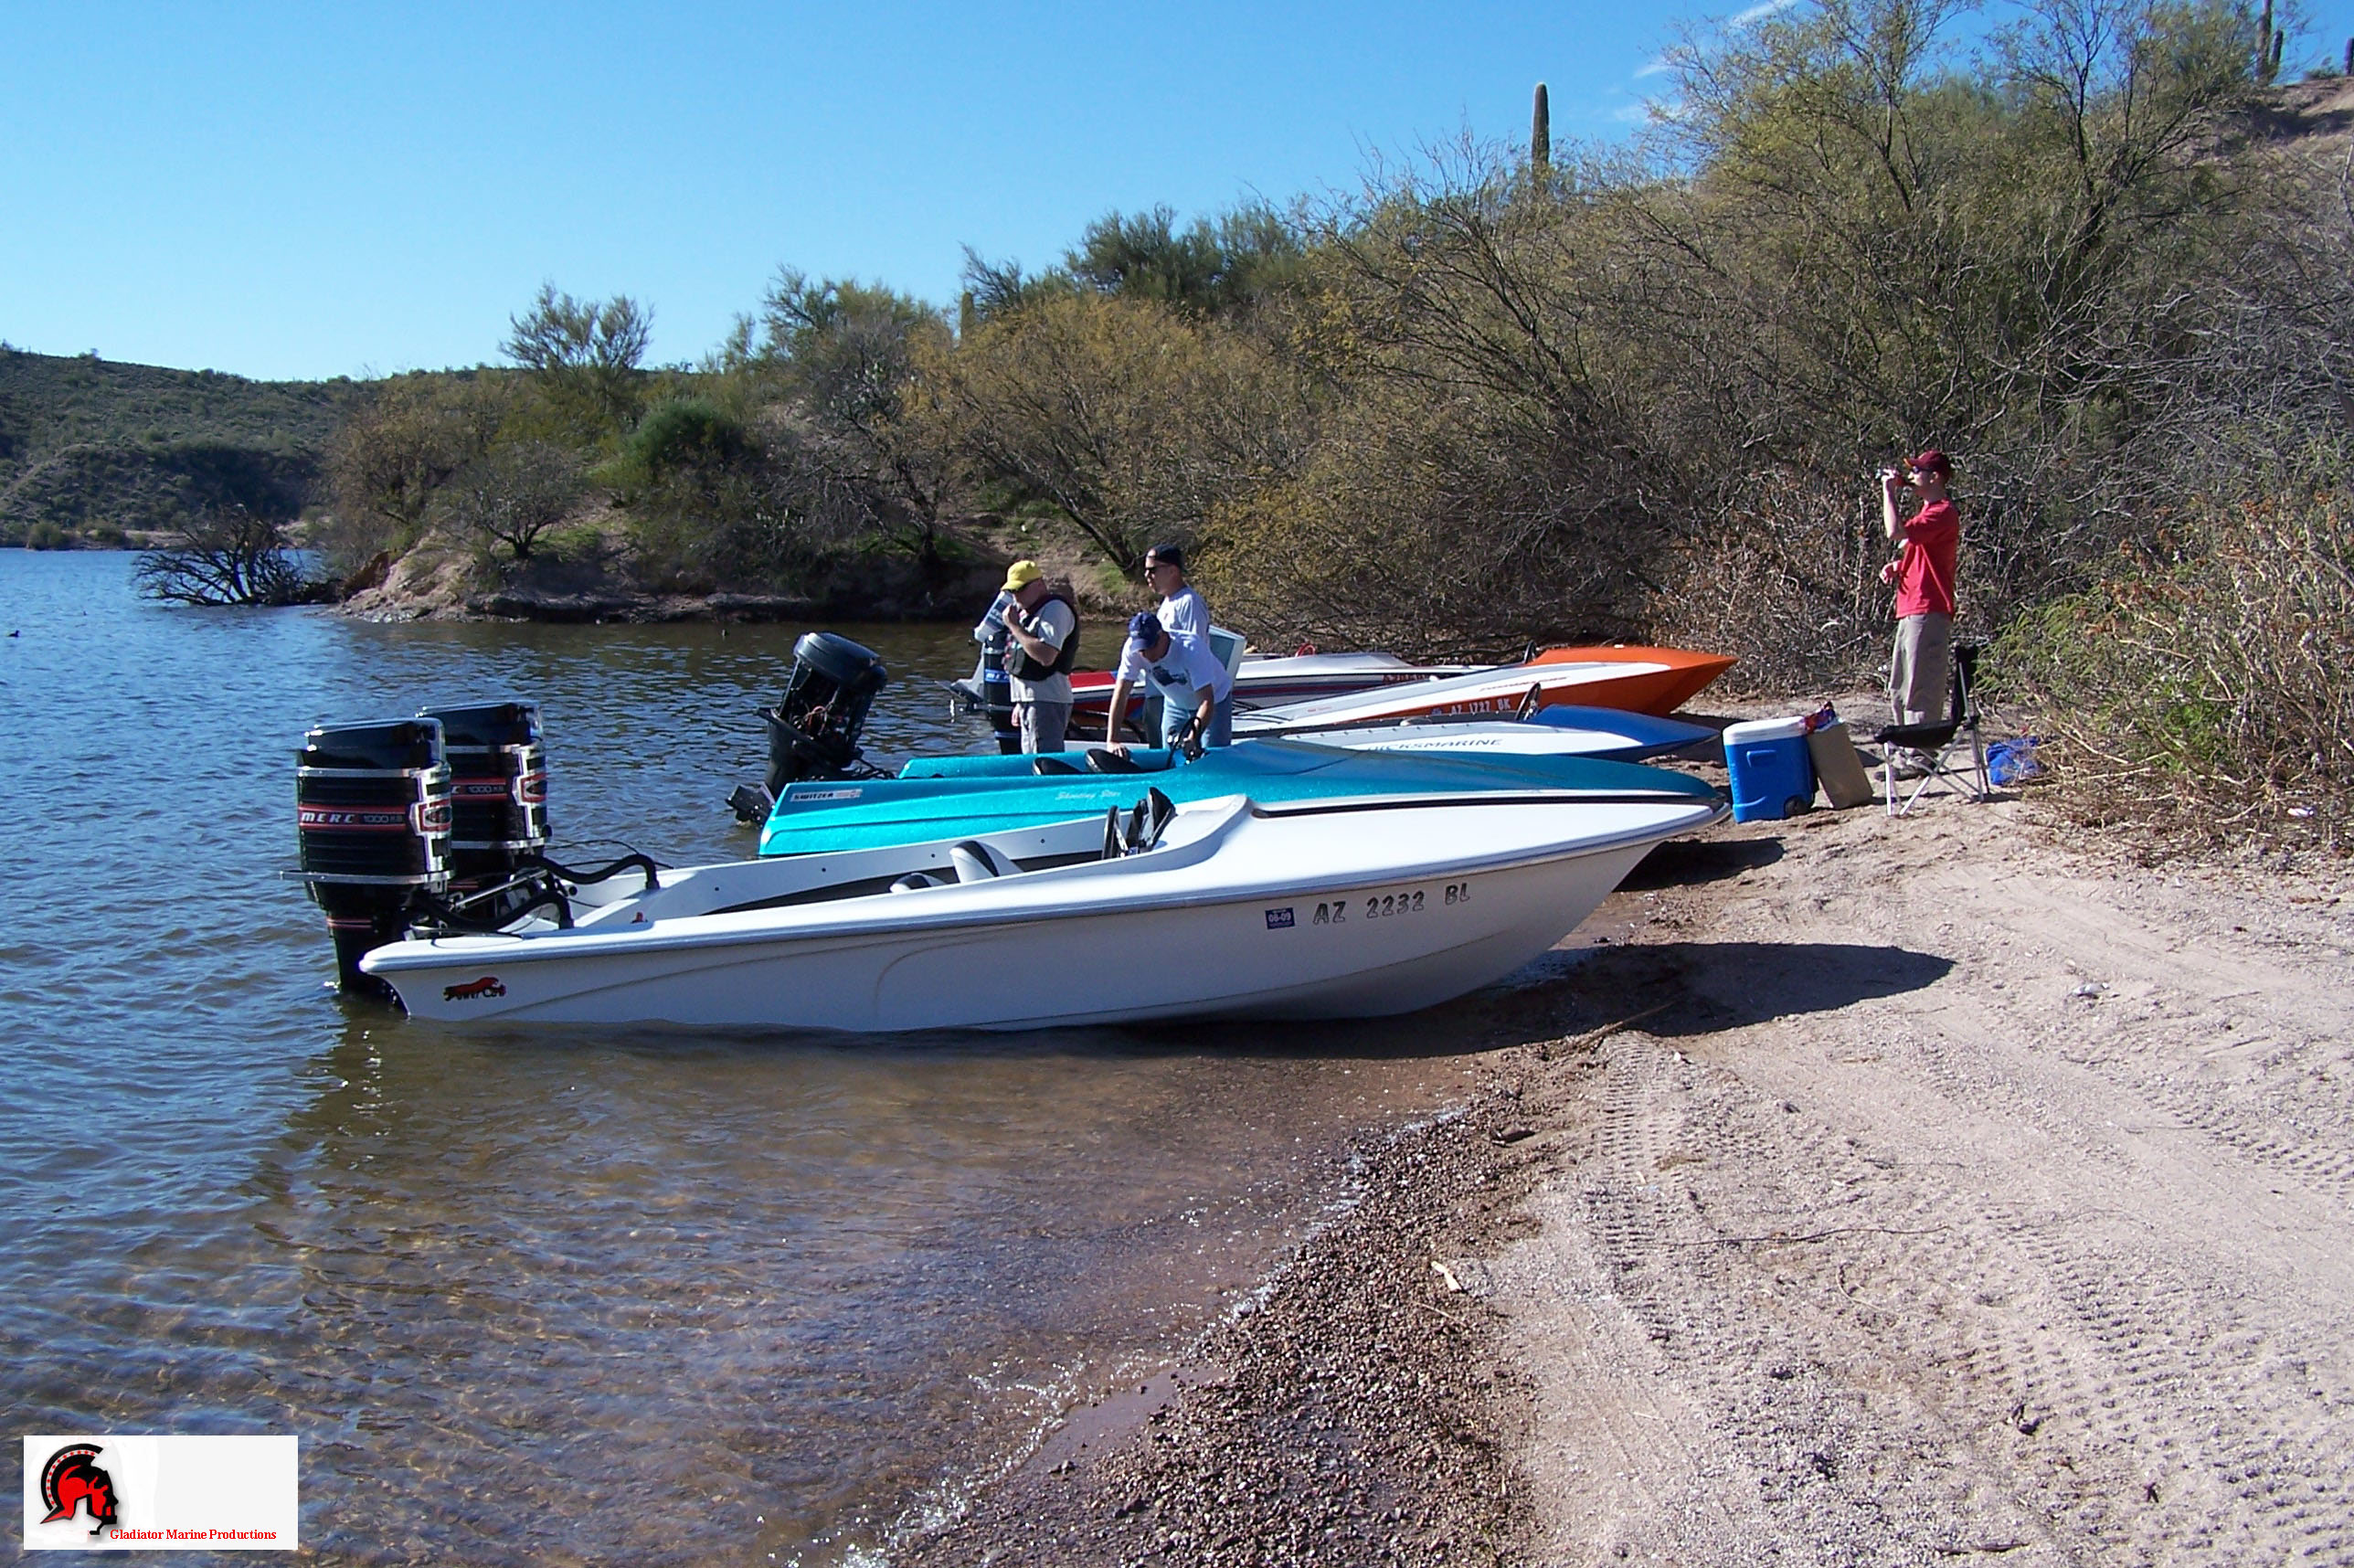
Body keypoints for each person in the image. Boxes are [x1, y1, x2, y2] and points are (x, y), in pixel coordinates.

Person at [1878, 450, 1961, 761]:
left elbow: (1894, 532)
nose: (1911, 477)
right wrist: (1899, 566)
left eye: (1917, 472)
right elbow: (1925, 554)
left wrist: (1889, 492)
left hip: (1929, 609)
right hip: (1911, 608)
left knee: (1920, 684)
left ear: (1935, 477)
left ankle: (1920, 756)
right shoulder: (1927, 515)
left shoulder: (1942, 512)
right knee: (1900, 685)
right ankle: (1905, 753)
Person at [1105, 611, 1234, 758]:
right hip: (1175, 703)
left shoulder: (1191, 648)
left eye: (1150, 647)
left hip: (1215, 700)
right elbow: (1121, 693)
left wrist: (1193, 737)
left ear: (1162, 636)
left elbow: (1206, 701)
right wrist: (1113, 740)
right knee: (1171, 755)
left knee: (1212, 756)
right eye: (1141, 650)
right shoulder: (1132, 650)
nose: (1146, 655)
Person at [999, 560, 1080, 754]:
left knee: (1043, 761)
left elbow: (1046, 655)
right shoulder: (1025, 612)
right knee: (1030, 759)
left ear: (1038, 584)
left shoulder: (1055, 609)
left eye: (1020, 589)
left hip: (1047, 700)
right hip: (1028, 700)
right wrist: (1020, 702)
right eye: (1012, 591)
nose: (1016, 596)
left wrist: (1014, 626)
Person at [1134, 544, 1211, 742]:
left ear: (1173, 570)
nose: (1147, 575)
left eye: (1153, 570)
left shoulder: (1189, 602)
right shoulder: (1167, 603)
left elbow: (1196, 650)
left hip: (1186, 696)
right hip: (1166, 693)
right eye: (1146, 570)